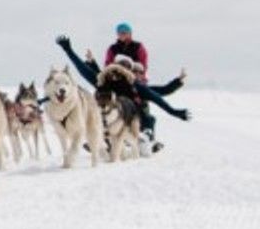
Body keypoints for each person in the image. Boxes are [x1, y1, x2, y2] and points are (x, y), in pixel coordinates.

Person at [55, 23, 190, 151]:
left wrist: (175, 108)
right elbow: (84, 70)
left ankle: (147, 140)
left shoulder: (136, 85)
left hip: (133, 117)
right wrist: (69, 50)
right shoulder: (105, 81)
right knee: (105, 113)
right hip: (113, 117)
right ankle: (103, 141)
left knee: (147, 117)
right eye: (118, 66)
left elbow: (160, 94)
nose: (119, 71)